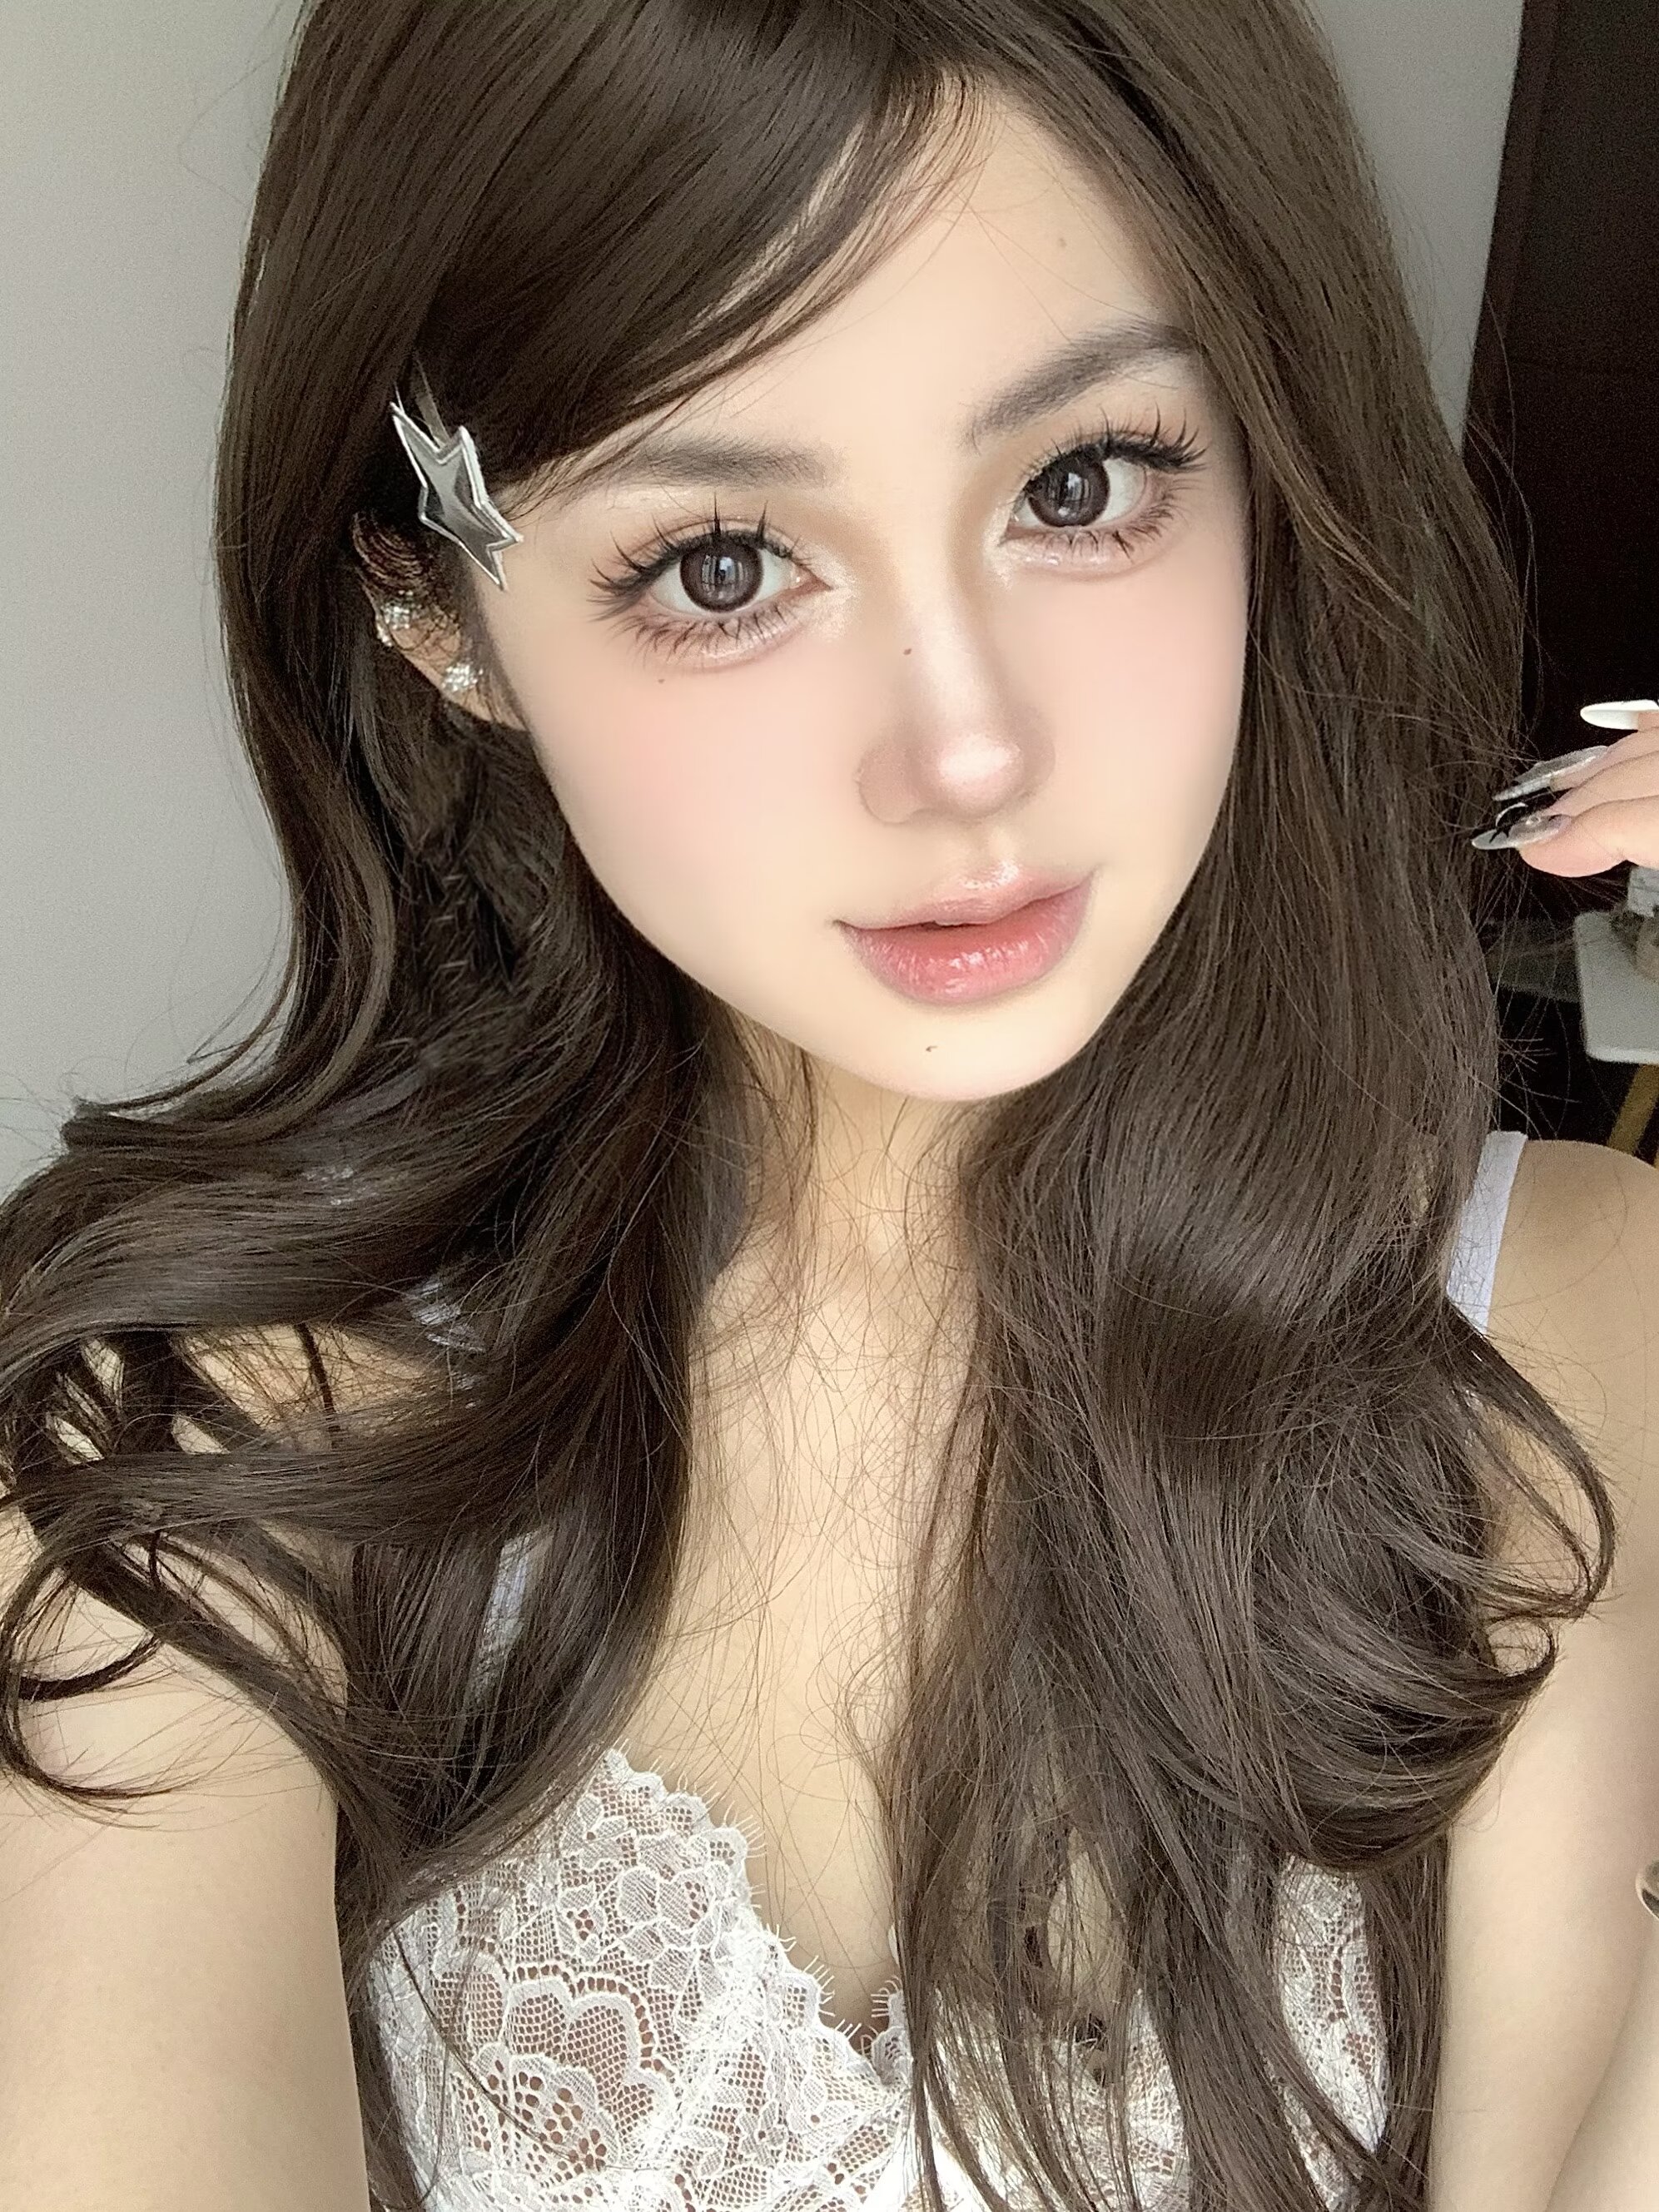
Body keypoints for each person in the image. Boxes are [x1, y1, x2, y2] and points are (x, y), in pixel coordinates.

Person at [3, 3, 1659, 2208]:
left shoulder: (1570, 1332)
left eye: (1081, 485)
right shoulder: (208, 1448)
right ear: (439, 611)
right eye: (723, 563)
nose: (964, 753)